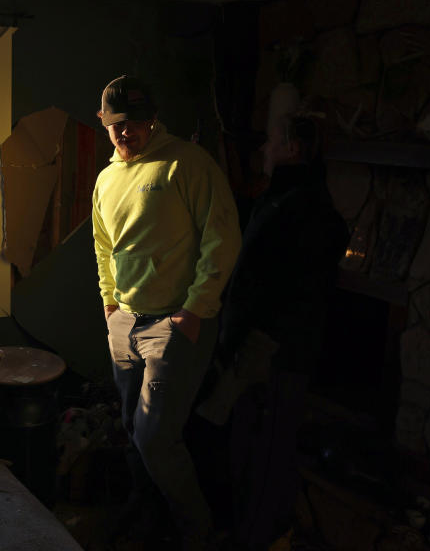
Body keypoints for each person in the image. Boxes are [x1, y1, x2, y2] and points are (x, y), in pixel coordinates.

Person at [92, 76, 242, 548]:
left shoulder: (187, 163)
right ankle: (149, 520)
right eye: (117, 124)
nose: (126, 132)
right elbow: (103, 246)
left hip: (173, 324)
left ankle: (197, 533)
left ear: (152, 119)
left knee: (156, 436)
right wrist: (110, 302)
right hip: (124, 322)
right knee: (133, 431)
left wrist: (194, 311)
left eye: (135, 122)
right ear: (105, 124)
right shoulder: (106, 178)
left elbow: (223, 239)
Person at [208, 114, 349, 550]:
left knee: (260, 456)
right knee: (256, 449)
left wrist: (227, 343)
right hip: (280, 351)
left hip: (272, 354)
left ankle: (252, 538)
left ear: (292, 149)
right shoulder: (299, 203)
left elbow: (253, 287)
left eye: (271, 142)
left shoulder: (293, 209)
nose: (263, 151)